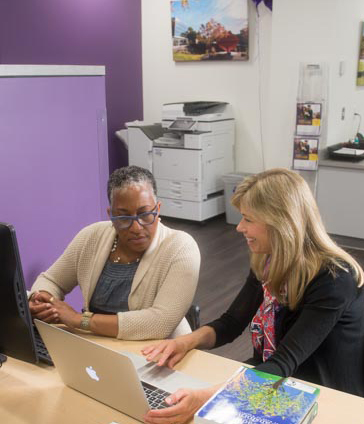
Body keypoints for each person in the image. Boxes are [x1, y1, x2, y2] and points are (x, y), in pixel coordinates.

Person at [141, 168, 364, 424]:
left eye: (248, 219)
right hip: (277, 379)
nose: (239, 227)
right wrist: (184, 342)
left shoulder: (334, 279)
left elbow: (283, 363)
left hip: (324, 397)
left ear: (279, 221)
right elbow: (231, 323)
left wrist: (207, 398)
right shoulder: (268, 260)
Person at [29, 165, 200, 340]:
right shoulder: (91, 236)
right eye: (124, 218)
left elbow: (159, 323)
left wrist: (79, 319)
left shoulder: (181, 247)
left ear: (157, 209)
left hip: (160, 351)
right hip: (97, 346)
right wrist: (42, 301)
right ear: (111, 215)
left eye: (145, 214)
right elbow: (51, 280)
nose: (136, 227)